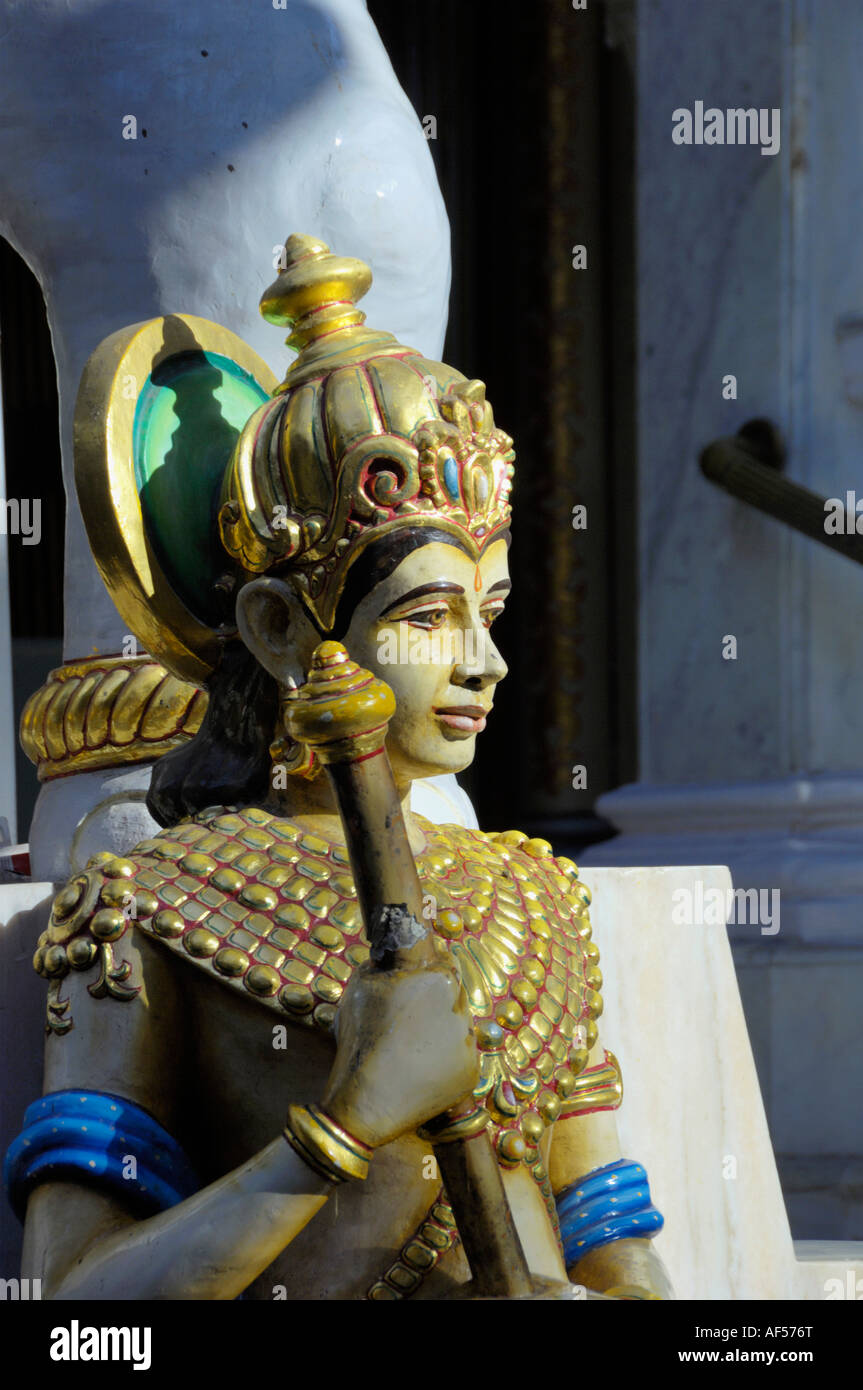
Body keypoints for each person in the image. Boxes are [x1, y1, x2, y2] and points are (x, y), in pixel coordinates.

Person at [7, 235, 671, 1300]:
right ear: (279, 628)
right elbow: (75, 1316)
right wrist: (338, 1127)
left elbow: (618, 1250)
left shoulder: (535, 898)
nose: (482, 662)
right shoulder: (143, 905)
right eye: (424, 615)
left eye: (488, 612)